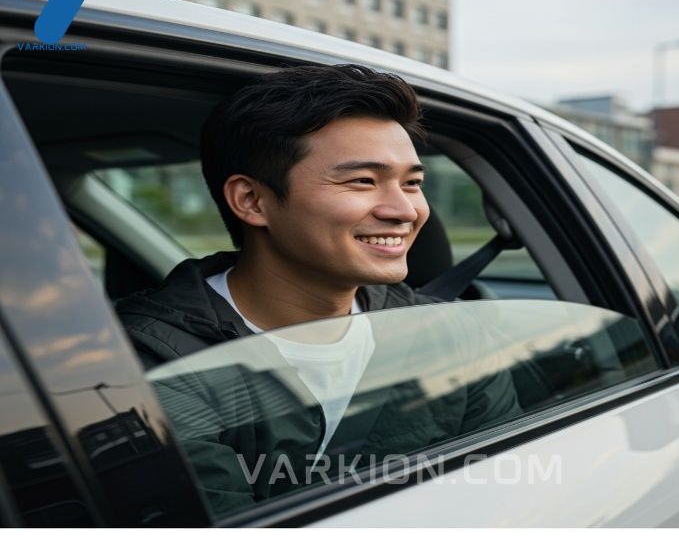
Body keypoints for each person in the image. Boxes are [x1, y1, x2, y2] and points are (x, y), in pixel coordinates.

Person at [116, 64, 520, 516]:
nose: (405, 210)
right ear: (251, 201)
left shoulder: (450, 335)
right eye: (363, 181)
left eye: (413, 183)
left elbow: (502, 504)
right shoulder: (149, 367)